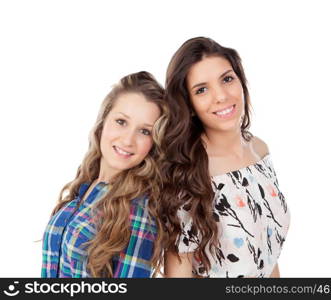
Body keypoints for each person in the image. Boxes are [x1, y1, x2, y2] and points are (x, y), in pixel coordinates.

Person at [159, 37, 290, 278]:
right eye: (202, 90)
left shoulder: (260, 150)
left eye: (227, 79)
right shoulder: (188, 173)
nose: (220, 96)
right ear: (188, 104)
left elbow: (269, 257)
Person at [41, 71, 166, 278]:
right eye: (121, 122)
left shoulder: (138, 212)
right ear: (103, 121)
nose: (127, 140)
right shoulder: (86, 186)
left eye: (144, 131)